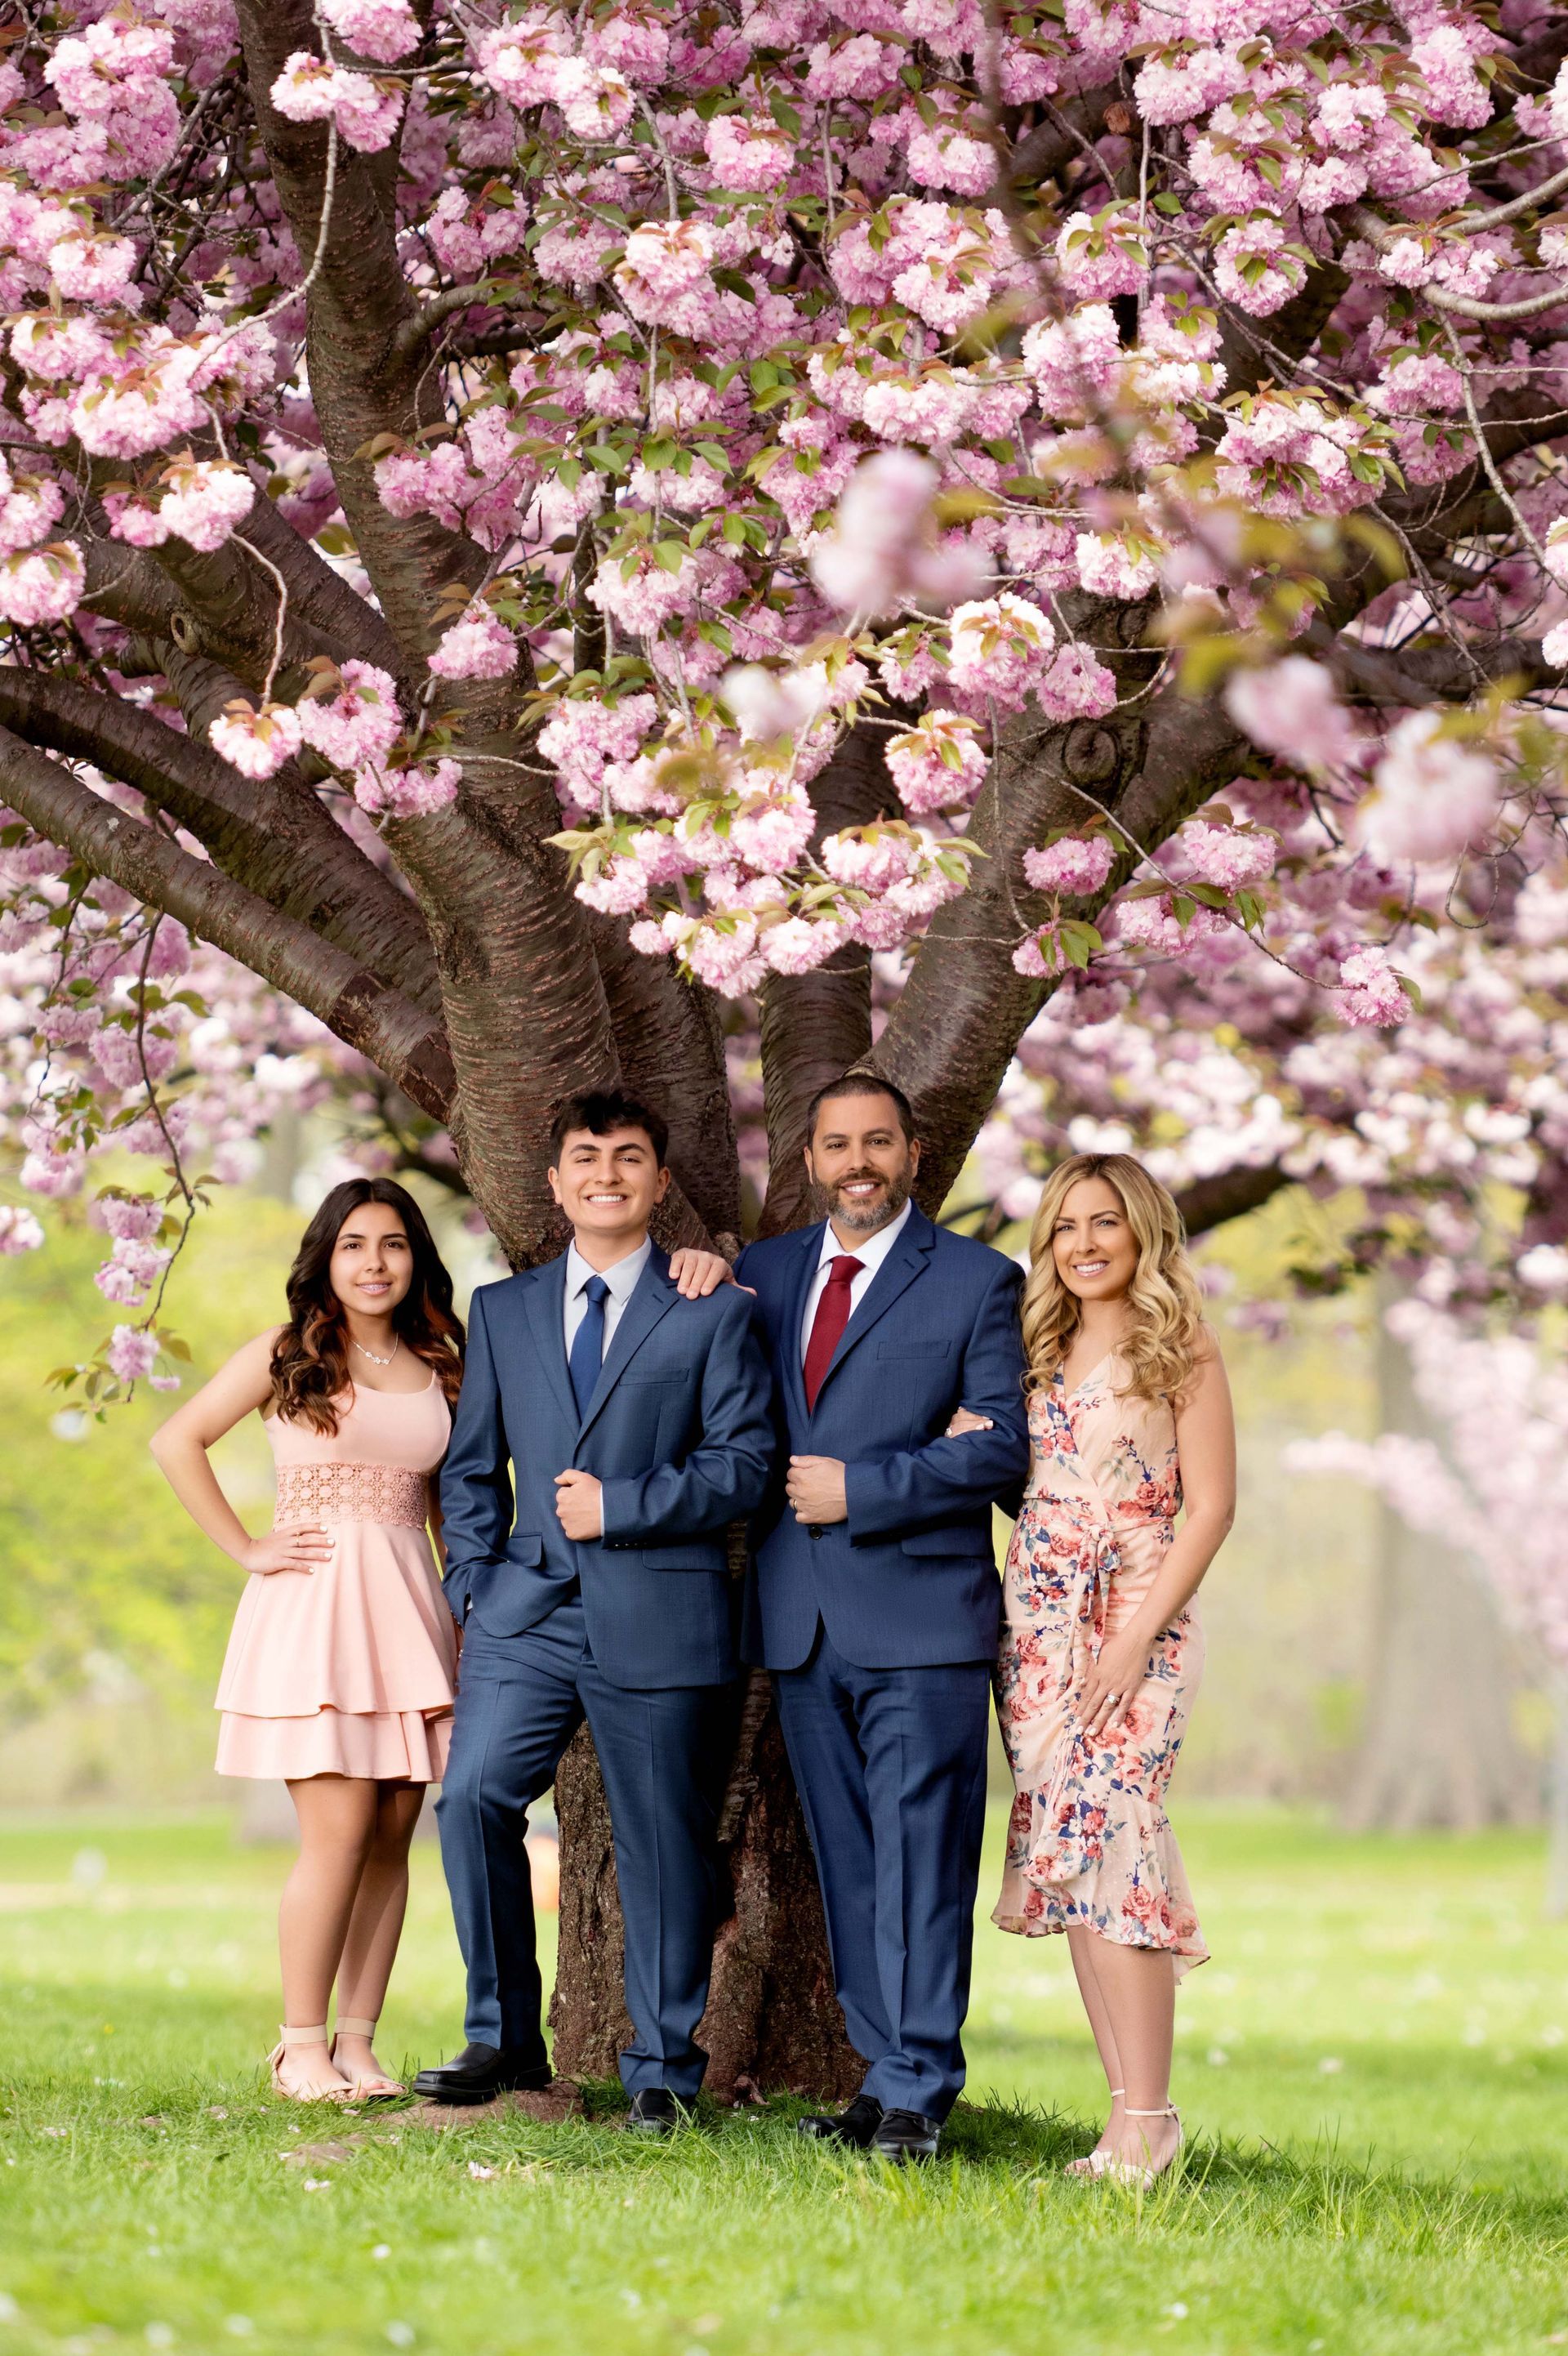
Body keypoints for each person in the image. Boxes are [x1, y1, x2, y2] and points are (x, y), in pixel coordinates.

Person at [414, 1088, 773, 2131]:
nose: (606, 1173)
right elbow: (473, 1468)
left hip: (661, 1608)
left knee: (662, 1839)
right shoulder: (505, 1310)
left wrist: (625, 1507)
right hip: (524, 1612)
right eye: (585, 1156)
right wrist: (474, 1581)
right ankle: (503, 2037)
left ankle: (662, 2066)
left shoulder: (711, 1308)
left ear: (660, 1182)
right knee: (472, 1798)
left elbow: (746, 1465)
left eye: (628, 1157)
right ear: (557, 1181)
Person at [734, 1073, 1030, 2164]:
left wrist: (871, 1484)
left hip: (923, 1621)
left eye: (879, 1143)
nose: (858, 1162)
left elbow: (1001, 1443)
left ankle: (921, 2086)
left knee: (923, 1858)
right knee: (852, 1863)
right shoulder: (761, 1278)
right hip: (802, 1621)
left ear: (913, 1153)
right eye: (836, 1145)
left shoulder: (977, 1281)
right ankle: (879, 2073)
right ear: (808, 1160)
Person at [150, 1178, 466, 2103]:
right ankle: (299, 2046)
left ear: (416, 1258)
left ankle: (358, 2043)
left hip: (411, 1616)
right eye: (355, 1244)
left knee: (393, 1835)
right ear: (326, 1258)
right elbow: (179, 1440)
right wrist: (248, 1546)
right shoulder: (288, 1354)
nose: (376, 1262)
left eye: (395, 1244)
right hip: (317, 1612)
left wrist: (467, 1609)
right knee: (335, 1833)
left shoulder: (442, 1365)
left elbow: (451, 1509)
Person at [954, 1151, 1235, 2187]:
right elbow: (1023, 1486)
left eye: (1104, 1222)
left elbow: (1210, 1508)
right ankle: (1126, 2124)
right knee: (1070, 1858)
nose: (1082, 1243)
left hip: (1138, 1619)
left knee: (1118, 1834)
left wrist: (1132, 1638)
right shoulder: (1033, 1352)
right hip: (1036, 1629)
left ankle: (1151, 2118)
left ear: (1142, 1233)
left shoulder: (1181, 1350)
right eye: (1065, 1225)